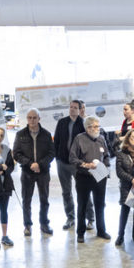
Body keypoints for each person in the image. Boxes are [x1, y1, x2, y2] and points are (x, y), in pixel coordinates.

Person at [12, 107, 56, 236]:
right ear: (27, 119)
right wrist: (30, 164)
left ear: (39, 119)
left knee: (44, 199)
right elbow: (16, 154)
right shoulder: (20, 135)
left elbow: (52, 153)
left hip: (43, 172)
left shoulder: (47, 134)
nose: (32, 120)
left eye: (34, 117)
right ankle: (27, 225)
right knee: (26, 200)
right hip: (27, 173)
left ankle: (44, 223)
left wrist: (40, 164)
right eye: (29, 118)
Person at [71, 116, 113, 242]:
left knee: (100, 205)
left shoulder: (101, 139)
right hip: (84, 177)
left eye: (98, 126)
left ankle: (101, 231)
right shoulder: (79, 139)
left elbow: (106, 156)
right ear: (88, 127)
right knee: (82, 205)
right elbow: (72, 158)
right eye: (95, 126)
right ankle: (80, 233)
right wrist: (85, 164)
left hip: (100, 176)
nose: (97, 129)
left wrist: (104, 167)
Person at [52, 98, 86, 231]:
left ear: (80, 110)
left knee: (83, 191)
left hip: (77, 164)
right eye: (70, 107)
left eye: (75, 107)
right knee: (66, 192)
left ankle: (89, 217)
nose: (72, 109)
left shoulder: (83, 124)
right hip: (62, 163)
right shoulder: (61, 122)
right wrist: (57, 158)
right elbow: (56, 142)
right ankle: (70, 217)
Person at [114, 128, 134, 248]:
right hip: (127, 187)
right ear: (128, 138)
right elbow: (119, 172)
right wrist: (131, 179)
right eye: (133, 137)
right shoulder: (121, 153)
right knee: (125, 211)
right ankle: (120, 235)